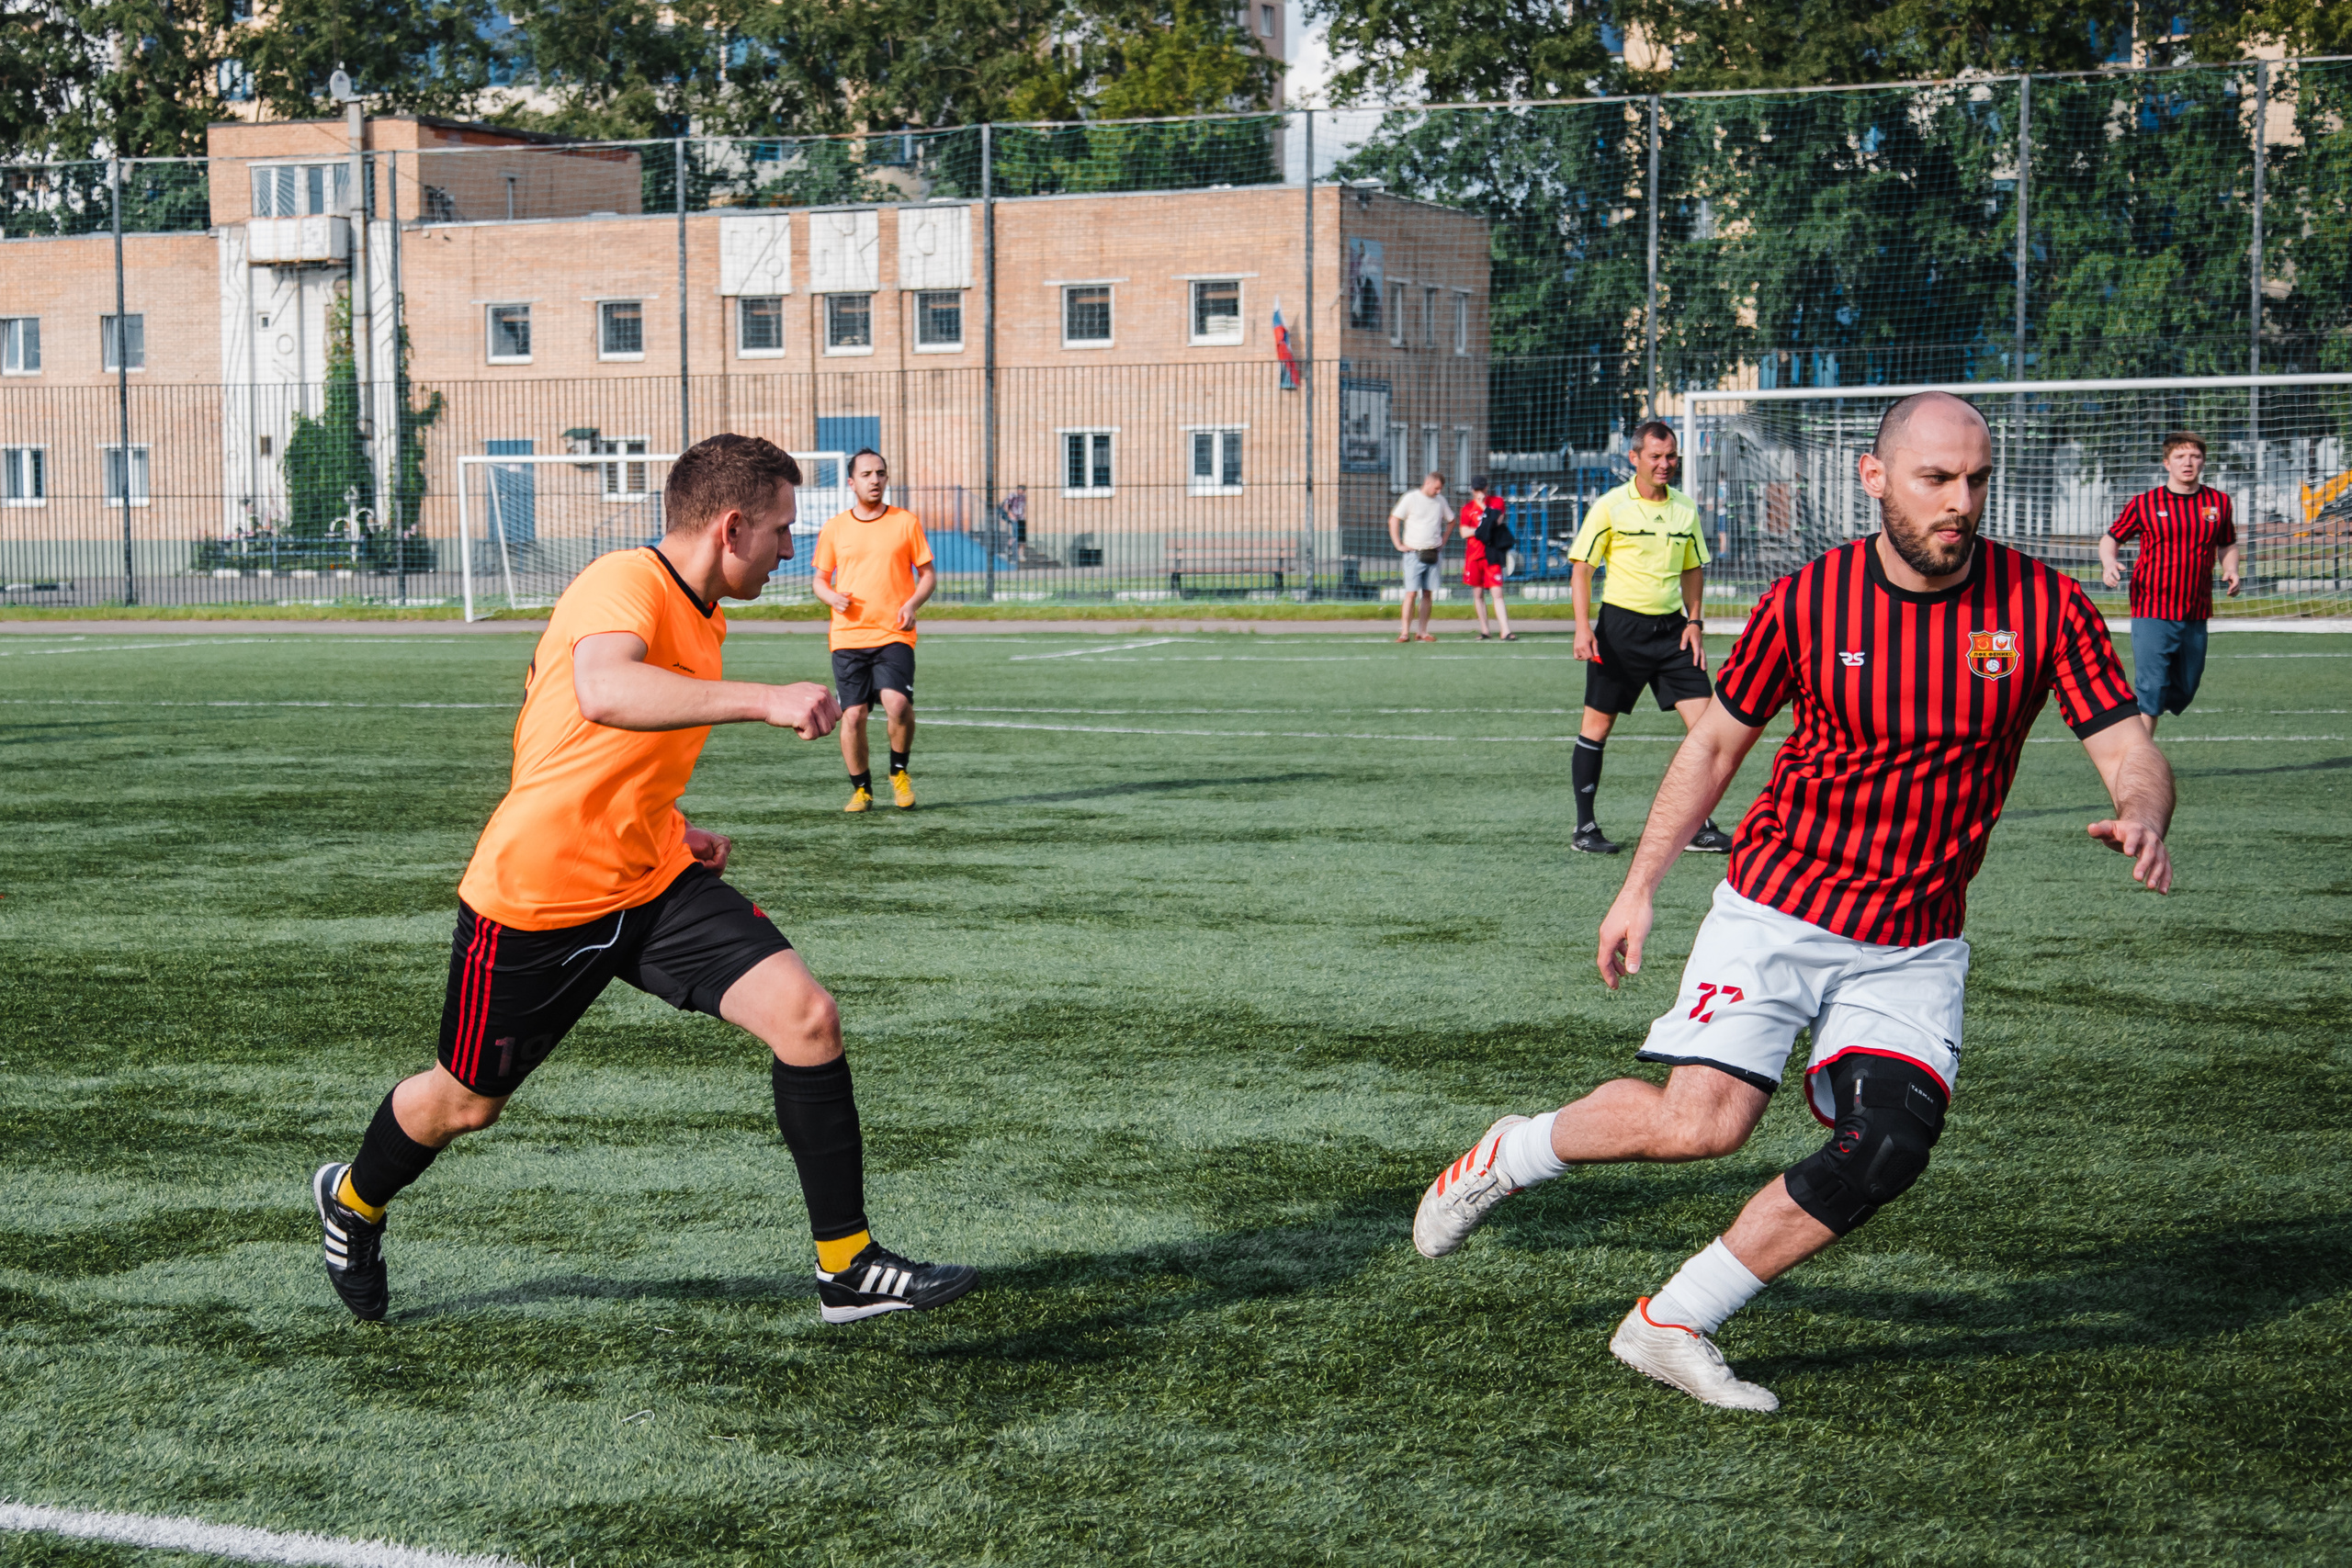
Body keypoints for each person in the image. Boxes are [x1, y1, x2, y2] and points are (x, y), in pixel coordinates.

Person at [1411, 393, 2173, 1413]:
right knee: (1702, 1127)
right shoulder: (1811, 601)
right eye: (1935, 480)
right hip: (1780, 906)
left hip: (1913, 939)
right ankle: (1517, 1149)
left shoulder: (2042, 606)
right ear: (1875, 478)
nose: (1960, 503)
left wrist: (2141, 811)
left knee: (1891, 1145)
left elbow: (2127, 745)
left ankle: (1672, 1320)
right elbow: (1716, 742)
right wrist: (1638, 886)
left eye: (1976, 481)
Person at [310, 434, 978, 1326]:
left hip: (650, 877)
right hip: (537, 898)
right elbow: (603, 692)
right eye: (781, 530)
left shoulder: (703, 615)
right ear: (731, 526)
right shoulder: (622, 581)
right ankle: (352, 1200)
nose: (790, 550)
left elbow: (600, 749)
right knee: (463, 1104)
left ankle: (846, 1268)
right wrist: (762, 697)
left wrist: (674, 828)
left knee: (806, 1017)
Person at [1566, 421, 1732, 856]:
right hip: (1620, 631)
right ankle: (1585, 829)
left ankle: (1700, 825)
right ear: (1634, 458)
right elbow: (1582, 568)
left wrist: (1695, 622)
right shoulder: (1610, 507)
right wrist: (1583, 627)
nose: (1664, 464)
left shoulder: (1685, 509)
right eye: (1656, 456)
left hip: (1673, 633)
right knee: (1597, 729)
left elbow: (1694, 568)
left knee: (1707, 731)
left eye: (1671, 456)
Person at [813, 449, 937, 811]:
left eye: (881, 473)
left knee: (897, 703)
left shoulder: (906, 523)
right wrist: (832, 597)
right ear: (851, 482)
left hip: (894, 633)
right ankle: (862, 790)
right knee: (853, 715)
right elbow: (819, 580)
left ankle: (899, 773)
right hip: (848, 638)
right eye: (866, 474)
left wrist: (912, 604)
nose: (875, 480)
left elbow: (928, 575)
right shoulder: (835, 528)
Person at [2099, 432, 2241, 736]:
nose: (2187, 463)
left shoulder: (2218, 503)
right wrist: (2109, 562)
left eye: (2194, 456)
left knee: (2186, 686)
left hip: (2196, 609)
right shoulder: (2144, 503)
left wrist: (2231, 569)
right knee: (2151, 686)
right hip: (2151, 606)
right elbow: (2111, 538)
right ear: (2167, 463)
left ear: (2203, 461)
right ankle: (2140, 755)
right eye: (2179, 457)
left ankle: (2139, 716)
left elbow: (2227, 544)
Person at [1391, 470, 1451, 643]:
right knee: (1410, 593)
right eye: (1437, 488)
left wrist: (1443, 540)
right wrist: (1398, 544)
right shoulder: (1411, 498)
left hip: (1433, 553)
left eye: (1440, 489)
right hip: (1413, 553)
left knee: (1427, 593)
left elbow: (1451, 520)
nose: (1438, 492)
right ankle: (1404, 632)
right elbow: (1394, 519)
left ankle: (1422, 631)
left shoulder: (1440, 501)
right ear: (1428, 483)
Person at [1460, 476, 1516, 641]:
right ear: (1472, 490)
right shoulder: (1467, 508)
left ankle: (1505, 630)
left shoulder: (1496, 502)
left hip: (1491, 552)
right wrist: (1482, 529)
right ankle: (1485, 630)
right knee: (1477, 593)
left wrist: (1483, 512)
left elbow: (1495, 523)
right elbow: (1464, 532)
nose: (1480, 493)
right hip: (1474, 555)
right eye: (1477, 490)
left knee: (1497, 591)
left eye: (1482, 489)